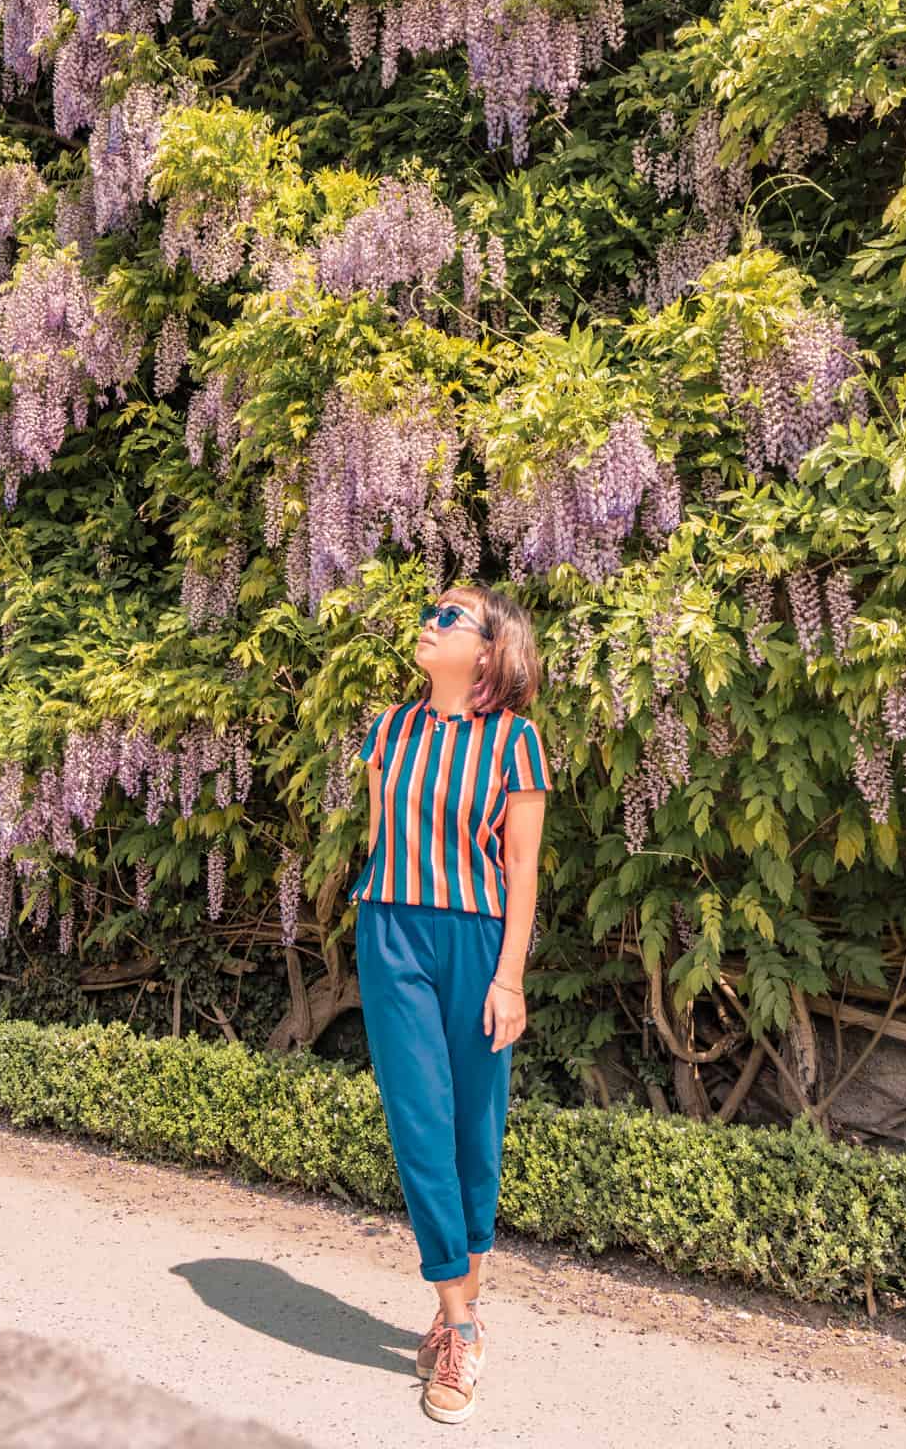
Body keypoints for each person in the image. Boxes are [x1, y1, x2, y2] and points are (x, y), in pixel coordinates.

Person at [348, 580, 551, 1425]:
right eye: (429, 614)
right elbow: (375, 835)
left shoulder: (516, 742)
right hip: (391, 929)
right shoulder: (387, 730)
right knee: (419, 1121)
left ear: (490, 648)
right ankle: (462, 1327)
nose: (428, 625)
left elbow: (522, 871)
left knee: (474, 1127)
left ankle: (451, 1305)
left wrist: (509, 979)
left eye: (449, 618)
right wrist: (373, 909)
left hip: (475, 941)